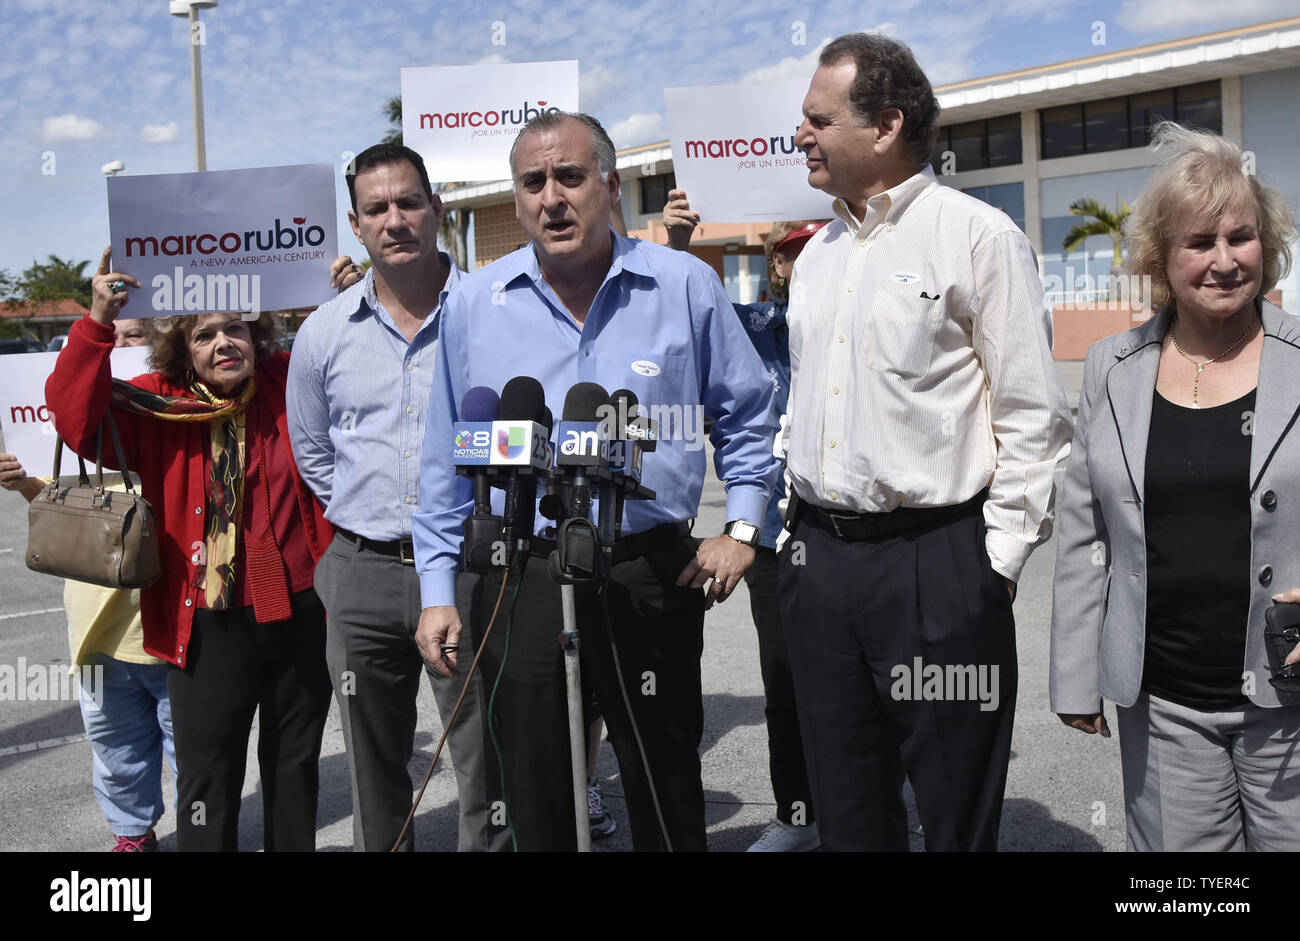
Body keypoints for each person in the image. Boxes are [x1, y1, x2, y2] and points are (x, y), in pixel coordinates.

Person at [413, 111, 780, 851]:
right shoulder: (474, 305)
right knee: (538, 793)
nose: (552, 197)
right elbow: (443, 461)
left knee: (662, 778)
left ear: (609, 186)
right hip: (525, 574)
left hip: (648, 569)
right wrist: (438, 591)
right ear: (516, 200)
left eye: (570, 176)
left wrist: (743, 527)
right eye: (533, 182)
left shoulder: (684, 286)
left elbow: (749, 414)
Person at [778, 32, 1072, 851]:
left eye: (817, 118)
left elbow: (1032, 417)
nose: (799, 134)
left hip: (938, 566)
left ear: (885, 125)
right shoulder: (817, 255)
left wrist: (993, 569)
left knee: (953, 813)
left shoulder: (979, 238)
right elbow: (803, 398)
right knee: (849, 816)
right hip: (820, 564)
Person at [1050, 121, 1300, 851]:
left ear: (1268, 244)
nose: (1225, 260)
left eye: (1241, 237)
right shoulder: (1112, 366)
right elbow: (1082, 529)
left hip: (1289, 698)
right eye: (1200, 243)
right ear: (1162, 259)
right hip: (1164, 704)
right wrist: (1074, 675)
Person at [46, 247, 334, 852]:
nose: (224, 342)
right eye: (205, 334)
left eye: (236, 328)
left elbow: (337, 351)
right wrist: (98, 319)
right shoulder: (157, 402)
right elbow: (74, 419)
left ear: (257, 335)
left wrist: (346, 291)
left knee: (294, 764)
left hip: (300, 610)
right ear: (183, 348)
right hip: (204, 623)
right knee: (208, 777)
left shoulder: (288, 382)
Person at [287, 142, 501, 852]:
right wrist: (372, 518)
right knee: (373, 765)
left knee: (482, 755)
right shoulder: (323, 333)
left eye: (409, 202)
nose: (395, 219)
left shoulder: (494, 315)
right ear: (356, 222)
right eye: (377, 208)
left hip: (471, 566)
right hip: (362, 573)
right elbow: (316, 453)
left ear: (437, 209)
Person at [663, 191, 823, 852]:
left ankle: (870, 808)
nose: (806, 260)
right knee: (785, 681)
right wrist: (677, 248)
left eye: (820, 246)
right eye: (793, 250)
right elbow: (680, 315)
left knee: (868, 683)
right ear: (776, 263)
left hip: (858, 532)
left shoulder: (869, 322)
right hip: (778, 534)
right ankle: (799, 814)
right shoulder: (750, 326)